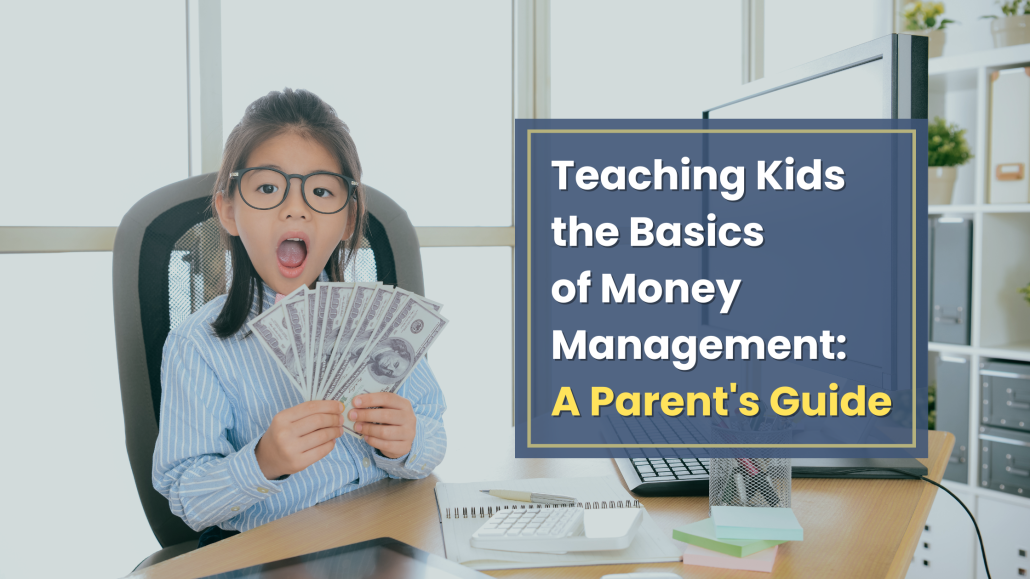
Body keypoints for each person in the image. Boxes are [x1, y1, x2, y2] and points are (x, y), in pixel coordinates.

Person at [152, 88, 447, 547]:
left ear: (349, 220)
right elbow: (187, 498)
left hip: (397, 537)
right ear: (228, 209)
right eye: (268, 188)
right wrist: (262, 462)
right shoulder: (198, 346)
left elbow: (433, 437)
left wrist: (408, 441)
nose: (296, 208)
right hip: (283, 553)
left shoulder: (381, 327)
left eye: (322, 191)